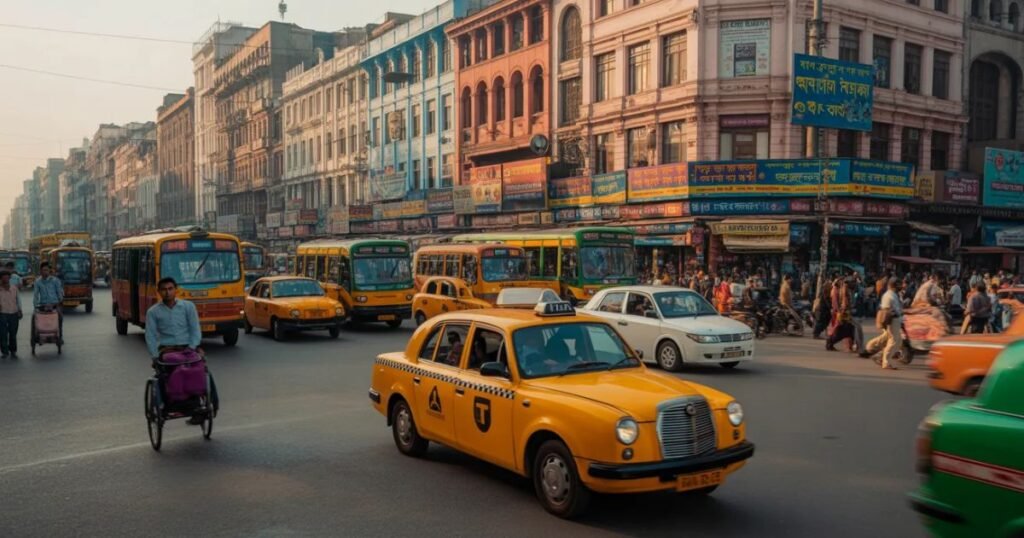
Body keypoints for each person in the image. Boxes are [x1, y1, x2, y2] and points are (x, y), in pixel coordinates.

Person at [145, 277, 202, 359]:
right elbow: (150, 336)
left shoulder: (188, 306)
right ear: (159, 292)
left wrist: (192, 347)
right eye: (164, 289)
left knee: (201, 369)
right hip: (166, 349)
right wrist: (155, 356)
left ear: (176, 289)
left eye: (170, 289)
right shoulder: (152, 312)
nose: (167, 292)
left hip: (188, 347)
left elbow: (195, 329)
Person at [862, 277, 903, 370]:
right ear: (894, 285)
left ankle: (874, 351)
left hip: (896, 319)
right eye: (899, 284)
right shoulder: (888, 295)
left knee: (892, 340)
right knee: (894, 341)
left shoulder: (894, 294)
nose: (901, 286)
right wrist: (886, 323)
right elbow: (886, 311)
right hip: (892, 320)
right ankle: (886, 362)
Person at [33, 261, 64, 340]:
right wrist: (35, 306)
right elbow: (36, 295)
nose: (45, 272)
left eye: (47, 270)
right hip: (43, 305)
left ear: (49, 271)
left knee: (60, 317)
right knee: (35, 317)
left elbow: (59, 292)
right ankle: (37, 334)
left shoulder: (55, 281)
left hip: (55, 304)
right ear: (40, 271)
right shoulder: (37, 282)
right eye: (43, 270)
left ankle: (60, 335)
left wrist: (60, 301)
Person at [0, 271, 22, 358]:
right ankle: (5, 351)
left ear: (9, 278)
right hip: (2, 314)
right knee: (2, 334)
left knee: (13, 333)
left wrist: (20, 310)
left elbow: (18, 300)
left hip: (14, 312)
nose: (5, 279)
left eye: (7, 277)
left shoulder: (14, 288)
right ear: (1, 279)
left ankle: (13, 350)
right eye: (3, 277)